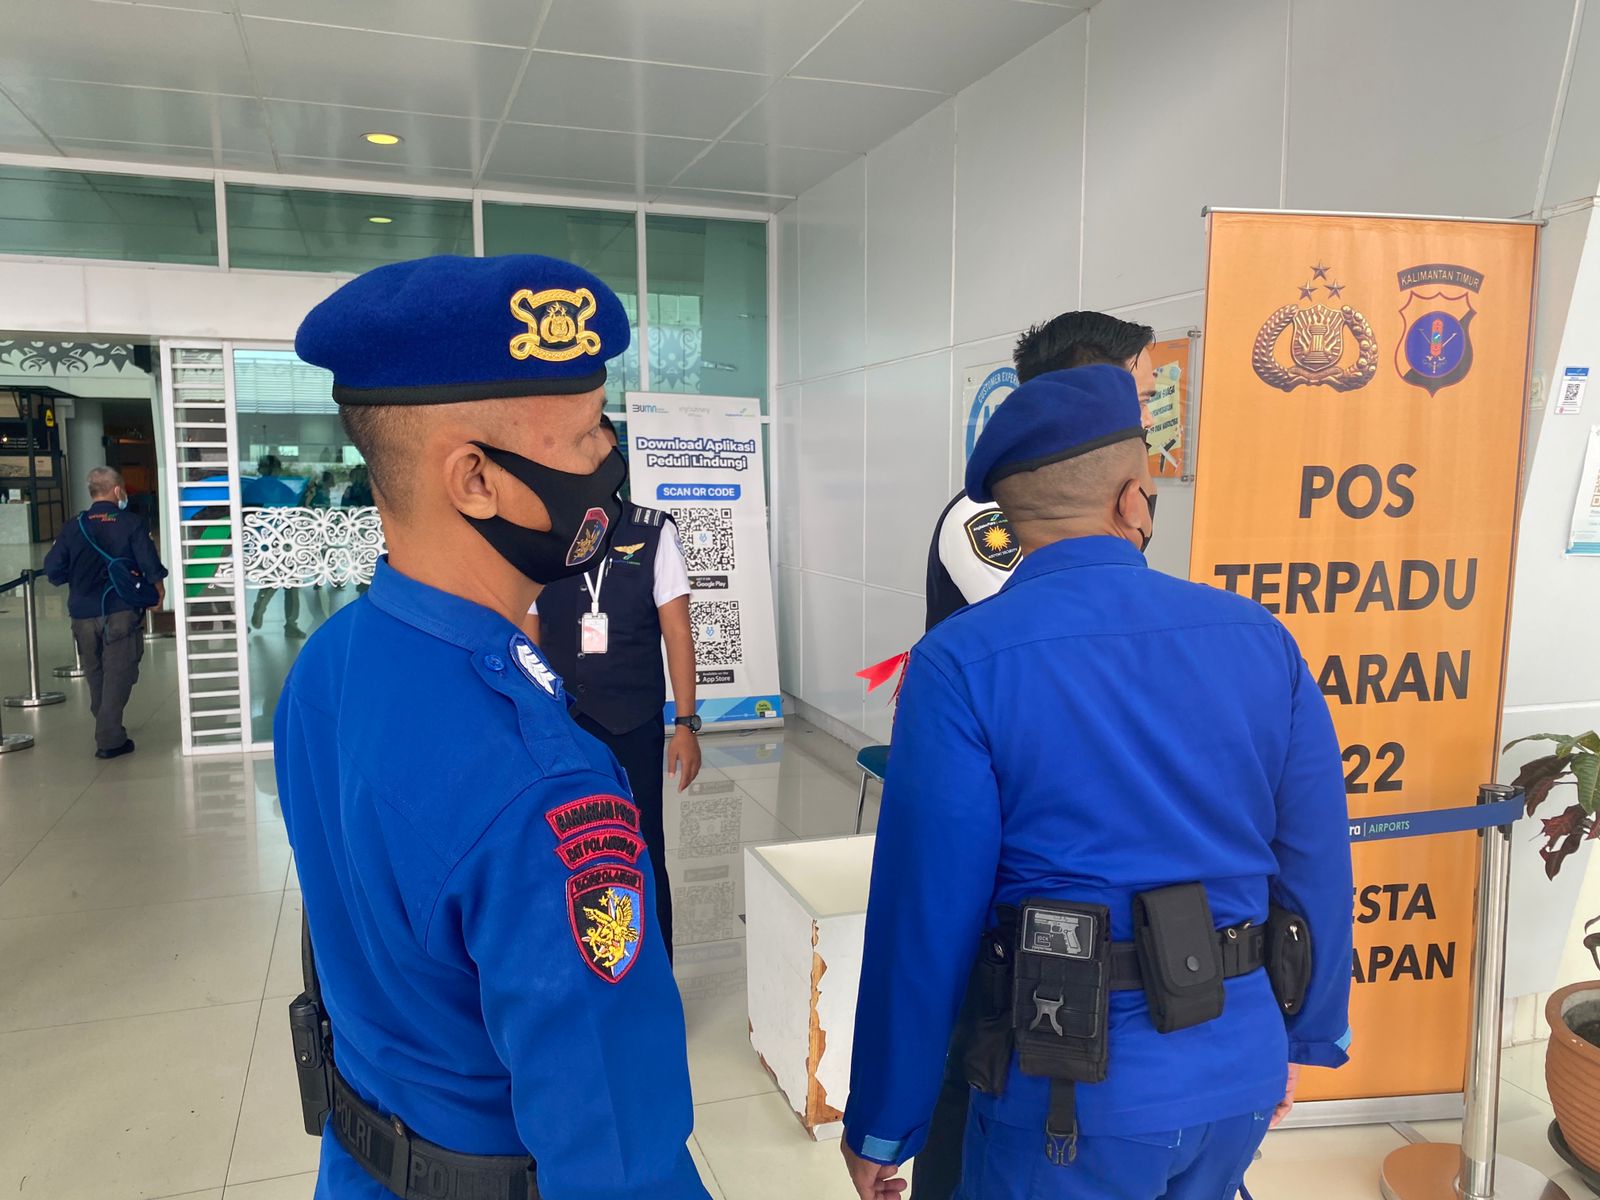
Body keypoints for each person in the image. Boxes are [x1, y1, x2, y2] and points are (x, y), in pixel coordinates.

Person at [842, 365, 1353, 1200]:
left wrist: (885, 1119)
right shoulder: (1261, 639)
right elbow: (1316, 861)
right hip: (1237, 1067)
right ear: (1131, 501)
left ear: (1009, 521)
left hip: (1064, 1090)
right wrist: (1304, 1032)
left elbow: (926, 913)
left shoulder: (961, 663)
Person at [280, 253, 709, 1200]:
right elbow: (616, 1157)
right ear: (474, 478)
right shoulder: (547, 787)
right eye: (586, 435)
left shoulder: (329, 662)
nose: (609, 458)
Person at [913, 311, 1163, 1200]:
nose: (1148, 411)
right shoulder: (995, 513)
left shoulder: (1105, 504)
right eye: (1140, 387)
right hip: (1008, 818)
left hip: (1089, 819)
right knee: (976, 1038)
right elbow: (1054, 646)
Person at [527, 413, 701, 961]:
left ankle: (655, 970)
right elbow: (525, 633)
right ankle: (584, 968)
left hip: (633, 721)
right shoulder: (541, 537)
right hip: (562, 725)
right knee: (567, 852)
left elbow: (678, 633)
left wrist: (686, 725)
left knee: (642, 847)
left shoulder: (653, 531)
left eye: (599, 453)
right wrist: (528, 720)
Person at [927, 312, 1159, 632]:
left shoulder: (1106, 497)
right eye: (1140, 401)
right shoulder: (986, 514)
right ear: (1081, 392)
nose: (1148, 420)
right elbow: (1051, 628)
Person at [42, 466, 167, 759]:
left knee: (95, 670)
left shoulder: (74, 526)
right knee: (120, 671)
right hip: (120, 608)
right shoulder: (131, 523)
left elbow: (53, 570)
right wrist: (158, 591)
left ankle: (105, 723)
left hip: (82, 612)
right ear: (117, 490)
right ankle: (110, 738)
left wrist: (79, 576)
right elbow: (149, 563)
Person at [244, 454, 306, 639]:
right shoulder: (264, 489)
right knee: (279, 581)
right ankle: (269, 612)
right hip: (271, 542)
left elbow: (295, 511)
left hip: (279, 541)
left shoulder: (260, 489)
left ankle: (286, 621)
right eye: (271, 468)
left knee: (286, 581)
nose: (273, 472)